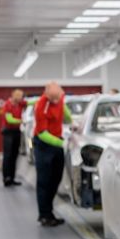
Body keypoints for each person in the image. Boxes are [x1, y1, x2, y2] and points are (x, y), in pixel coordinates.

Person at [32, 82, 73, 226]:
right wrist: (62, 144)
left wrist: (72, 122)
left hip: (57, 142)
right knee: (44, 181)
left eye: (58, 98)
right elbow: (42, 134)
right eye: (54, 99)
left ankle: (49, 211)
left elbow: (66, 114)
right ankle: (44, 215)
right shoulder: (41, 105)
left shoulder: (60, 98)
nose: (57, 101)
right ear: (47, 95)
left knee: (56, 178)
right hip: (43, 145)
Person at [0, 89, 27, 186]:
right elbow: (9, 119)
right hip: (8, 132)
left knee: (15, 156)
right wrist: (21, 121)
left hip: (16, 132)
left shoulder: (20, 104)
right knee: (8, 156)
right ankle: (6, 177)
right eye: (20, 97)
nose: (21, 99)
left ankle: (12, 177)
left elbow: (30, 102)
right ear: (15, 96)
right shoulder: (7, 105)